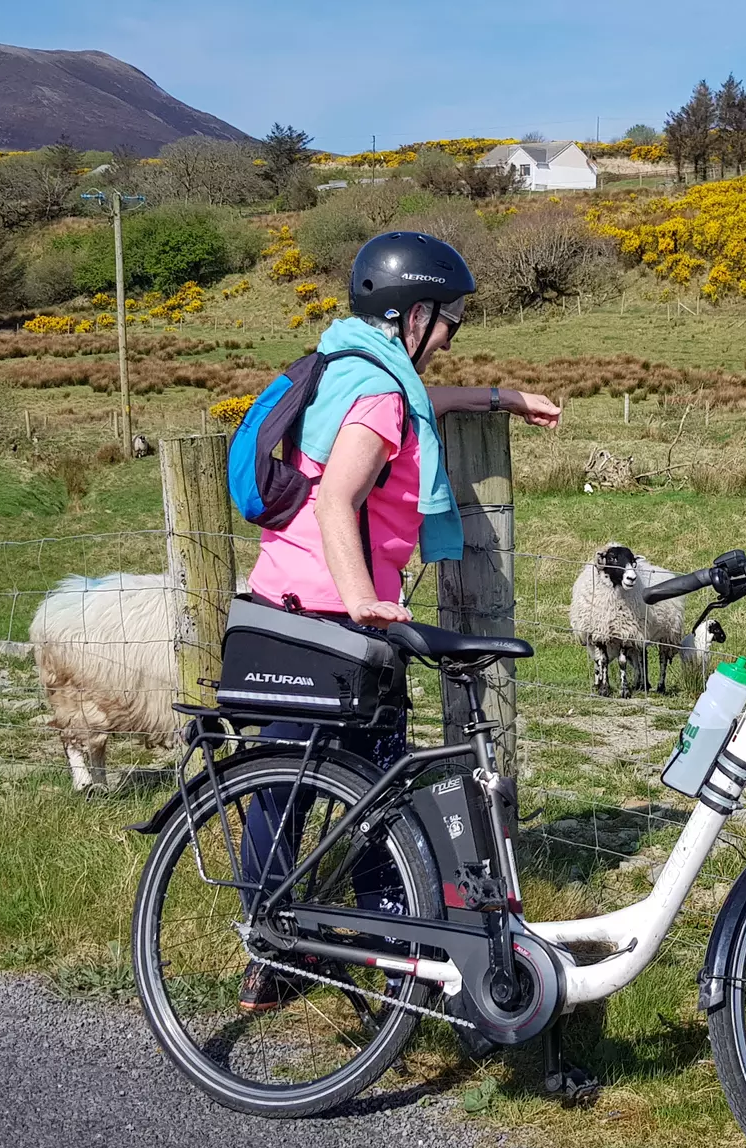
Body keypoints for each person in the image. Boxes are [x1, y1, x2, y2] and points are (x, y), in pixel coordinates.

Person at [238, 232, 559, 1011]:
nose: (451, 336)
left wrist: (498, 398)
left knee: (289, 787)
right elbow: (336, 497)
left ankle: (271, 949)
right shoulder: (379, 392)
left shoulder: (351, 368)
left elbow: (418, 406)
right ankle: (393, 952)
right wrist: (358, 599)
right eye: (448, 320)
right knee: (379, 791)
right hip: (331, 620)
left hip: (281, 610)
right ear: (412, 314)